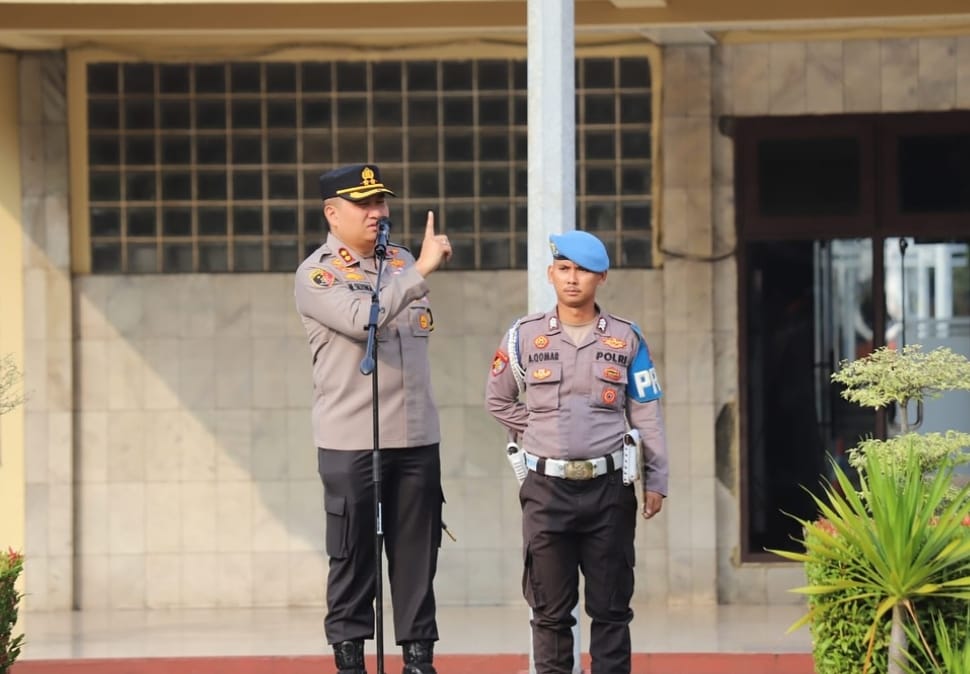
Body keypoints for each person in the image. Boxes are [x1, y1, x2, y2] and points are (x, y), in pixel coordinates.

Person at [484, 230, 668, 674]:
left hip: (610, 490)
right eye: (563, 269)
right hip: (546, 491)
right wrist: (538, 428)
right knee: (549, 613)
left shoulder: (627, 338)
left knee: (611, 611)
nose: (572, 278)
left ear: (601, 277)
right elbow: (497, 399)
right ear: (550, 274)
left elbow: (646, 412)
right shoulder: (524, 336)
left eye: (583, 270)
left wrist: (656, 479)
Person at [294, 163, 452, 674]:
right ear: (332, 213)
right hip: (351, 442)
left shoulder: (401, 262)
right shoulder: (318, 274)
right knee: (352, 557)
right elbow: (364, 318)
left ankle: (419, 661)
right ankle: (350, 662)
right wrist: (420, 272)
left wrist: (412, 269)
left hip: (416, 439)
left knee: (417, 559)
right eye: (363, 204)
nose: (377, 212)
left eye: (380, 201)